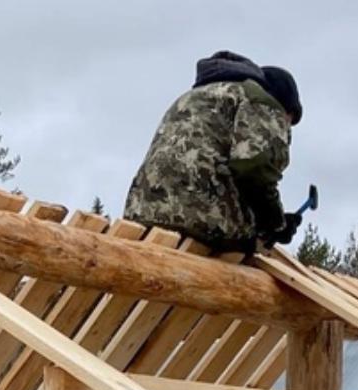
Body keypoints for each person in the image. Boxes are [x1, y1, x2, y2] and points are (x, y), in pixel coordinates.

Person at [124, 52, 303, 254]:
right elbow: (254, 168)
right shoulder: (260, 100)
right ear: (285, 106)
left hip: (142, 211)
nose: (286, 126)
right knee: (245, 266)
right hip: (203, 218)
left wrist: (269, 219)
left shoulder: (196, 97)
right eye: (289, 119)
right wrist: (276, 223)